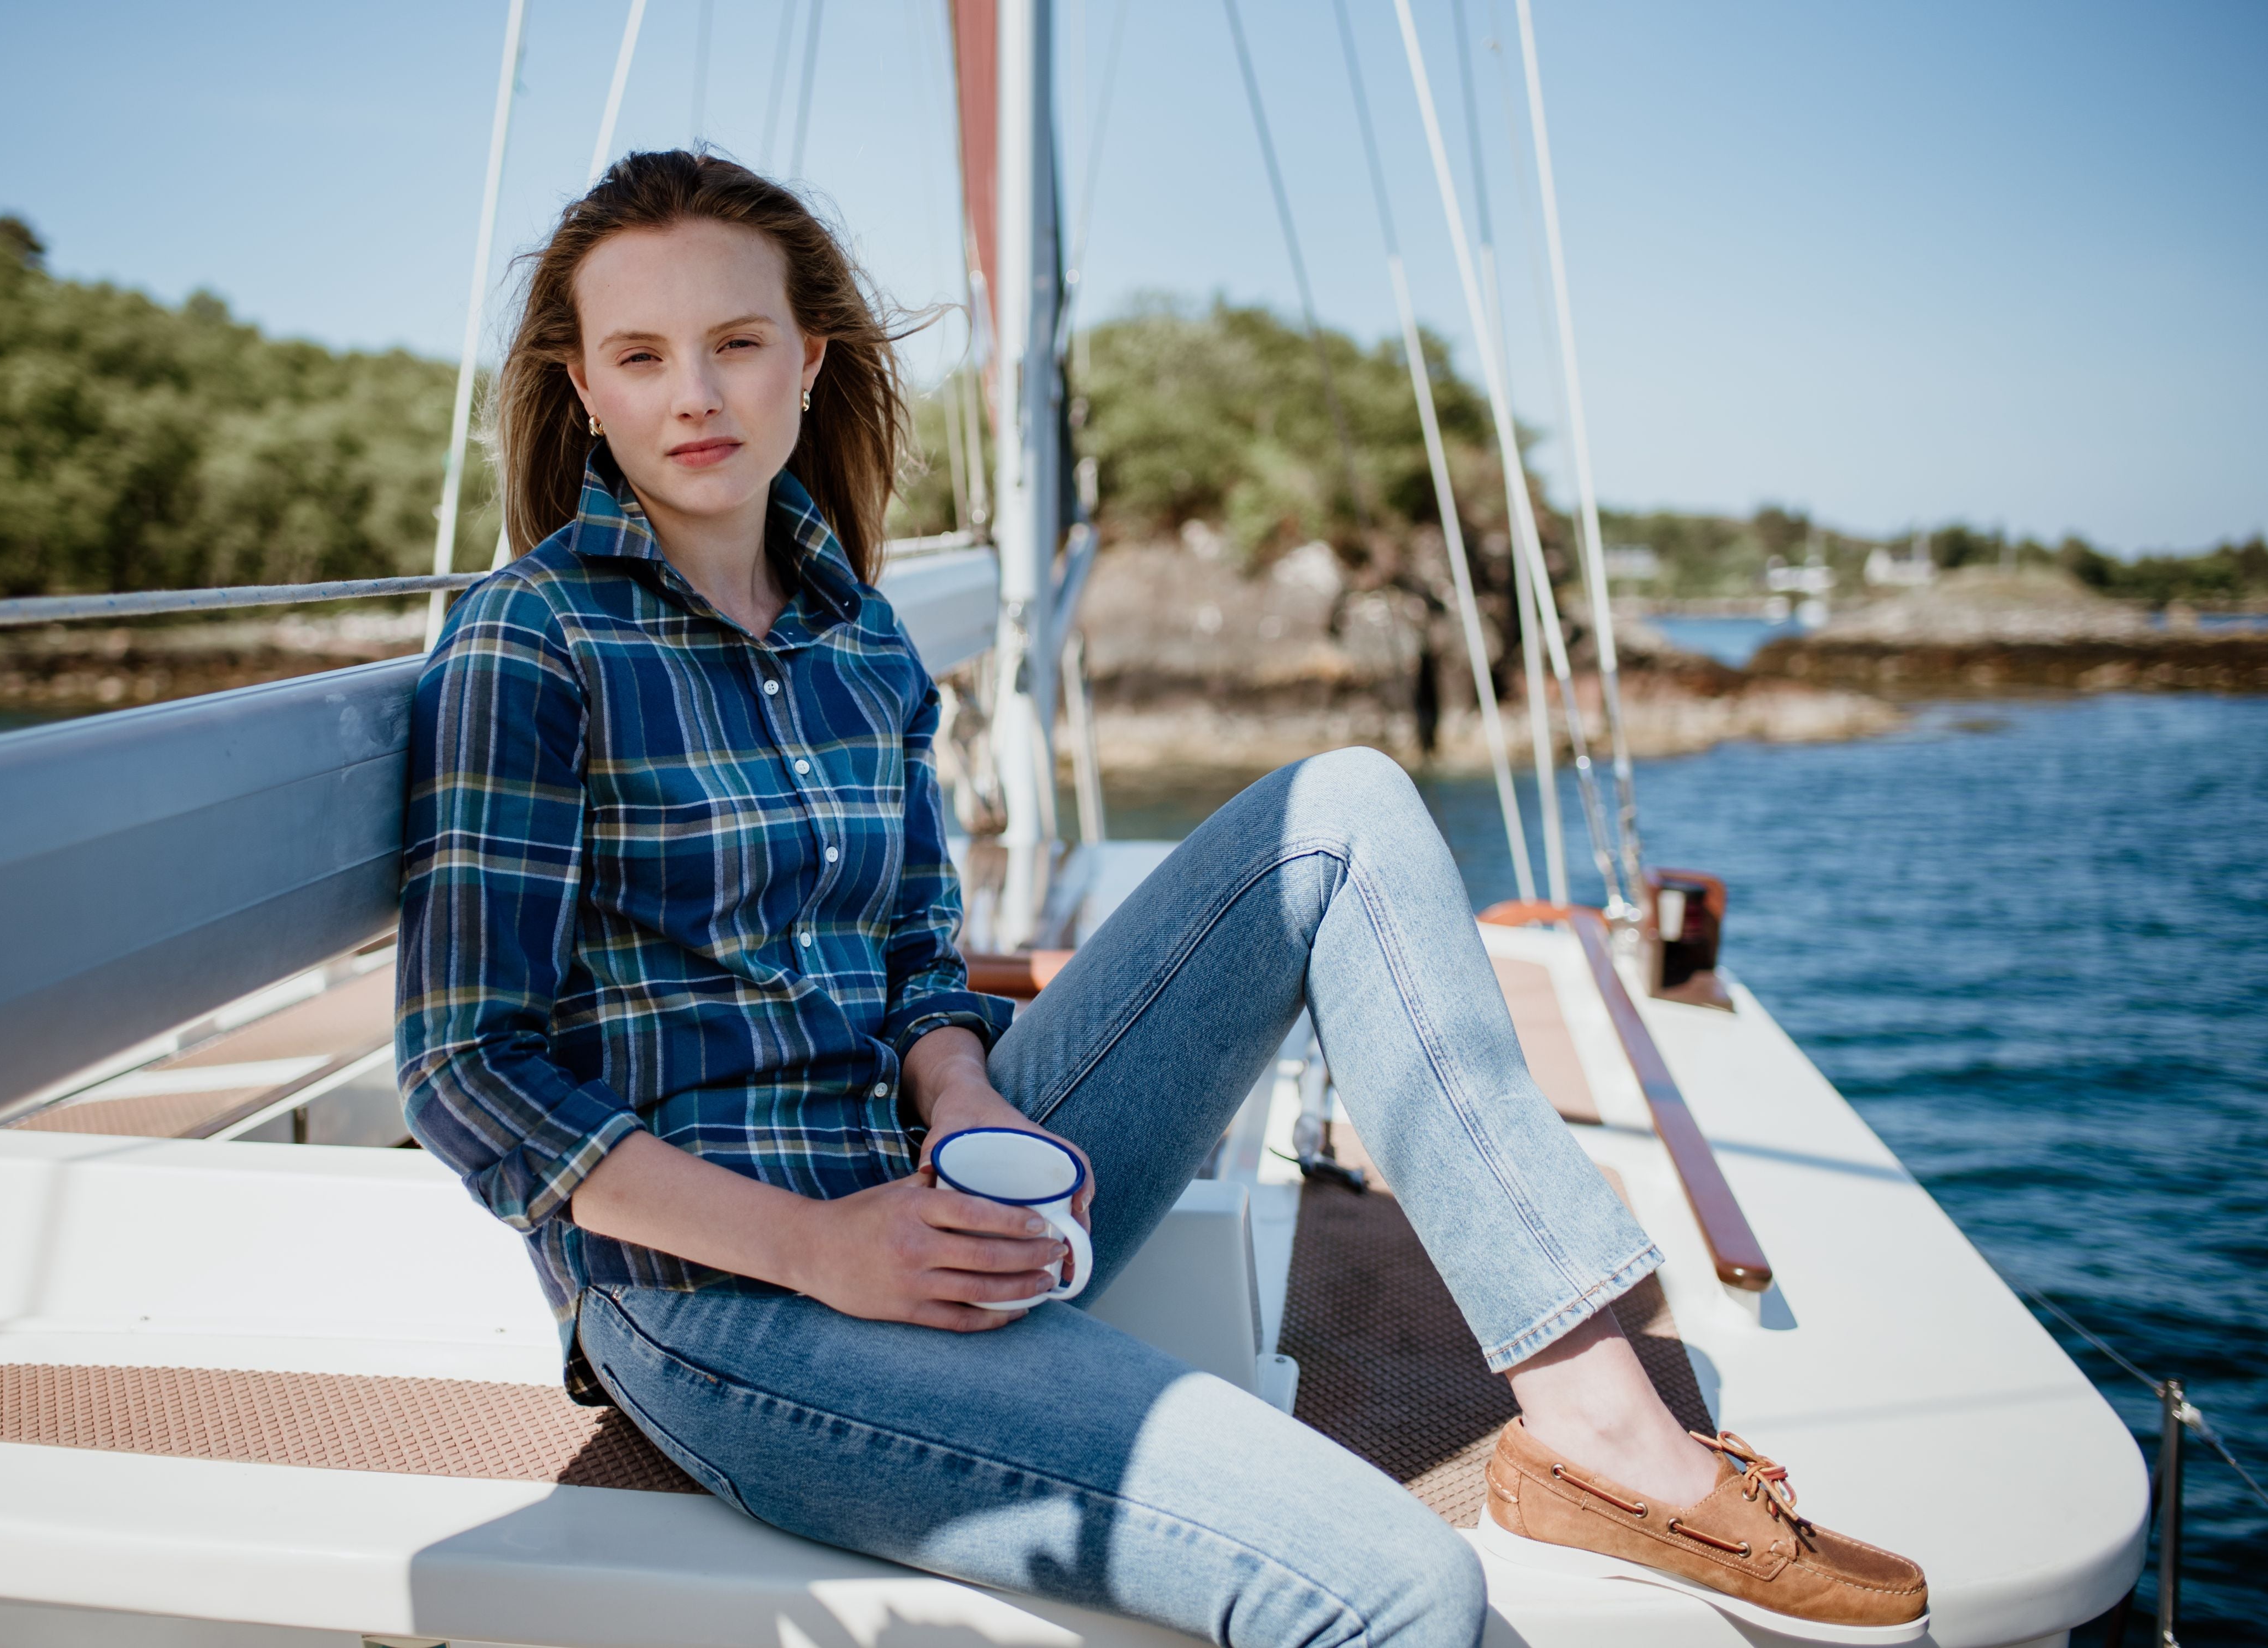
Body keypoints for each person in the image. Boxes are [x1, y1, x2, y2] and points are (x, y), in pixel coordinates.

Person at [397, 149, 1925, 1648]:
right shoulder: (534, 641)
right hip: (721, 1296)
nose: (695, 395)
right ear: (585, 389)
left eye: (736, 343)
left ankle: (1597, 1434)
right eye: (642, 356)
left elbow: (916, 958)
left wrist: (962, 1097)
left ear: (808, 359)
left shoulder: (857, 639)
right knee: (1401, 1592)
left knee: (1341, 813)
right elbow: (469, 1070)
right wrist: (822, 1249)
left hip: (930, 1181)